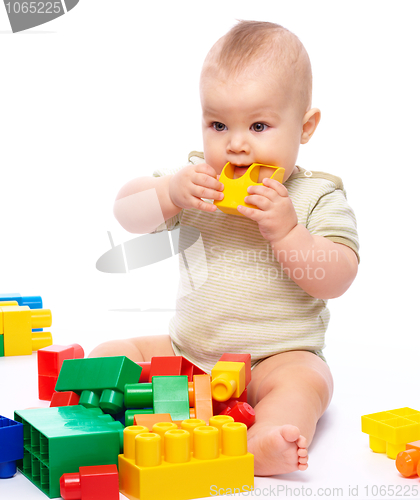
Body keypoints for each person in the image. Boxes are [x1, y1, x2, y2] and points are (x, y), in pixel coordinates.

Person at [90, 20, 359, 476]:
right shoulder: (195, 183)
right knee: (111, 352)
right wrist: (167, 192)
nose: (236, 145)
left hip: (275, 360)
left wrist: (288, 233)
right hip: (190, 353)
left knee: (308, 383)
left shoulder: (317, 196)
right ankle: (101, 419)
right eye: (218, 124)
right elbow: (125, 213)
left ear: (305, 126)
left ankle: (262, 444)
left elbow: (338, 278)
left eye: (259, 125)